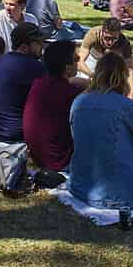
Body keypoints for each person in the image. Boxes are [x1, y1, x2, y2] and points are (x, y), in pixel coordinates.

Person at [68, 53, 133, 210]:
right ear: (122, 77)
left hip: (82, 186)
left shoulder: (79, 102)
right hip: (122, 193)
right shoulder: (126, 106)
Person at [24, 40, 85, 175]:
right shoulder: (69, 94)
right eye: (76, 59)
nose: (79, 61)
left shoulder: (39, 83)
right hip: (59, 161)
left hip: (38, 156)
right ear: (67, 68)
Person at [0, 22, 47, 142]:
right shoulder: (35, 67)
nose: (42, 46)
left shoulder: (2, 59)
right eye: (38, 43)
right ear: (24, 47)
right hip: (15, 135)